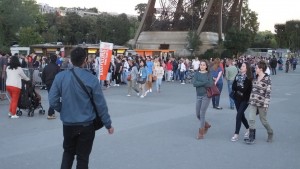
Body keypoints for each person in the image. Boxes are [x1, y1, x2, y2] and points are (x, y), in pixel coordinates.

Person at [48, 47, 114, 168]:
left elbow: (52, 100)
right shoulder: (92, 79)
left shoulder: (60, 77)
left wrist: (62, 109)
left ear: (71, 60)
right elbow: (101, 105)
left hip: (68, 124)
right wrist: (108, 124)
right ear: (85, 60)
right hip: (86, 125)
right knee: (83, 158)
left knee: (68, 153)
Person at [245, 61, 273, 144]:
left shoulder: (267, 79)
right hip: (253, 101)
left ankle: (270, 132)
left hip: (262, 103)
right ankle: (251, 137)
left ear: (261, 69)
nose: (255, 69)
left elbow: (268, 93)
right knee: (251, 119)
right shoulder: (255, 77)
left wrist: (266, 105)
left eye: (256, 68)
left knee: (263, 120)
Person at [230, 62, 253, 142]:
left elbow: (244, 90)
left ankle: (236, 134)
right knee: (241, 115)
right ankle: (248, 128)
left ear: (247, 68)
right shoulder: (237, 76)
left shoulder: (249, 78)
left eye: (243, 66)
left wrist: (237, 87)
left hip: (245, 99)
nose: (241, 67)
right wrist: (238, 87)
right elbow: (233, 86)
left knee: (238, 115)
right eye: (241, 66)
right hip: (237, 98)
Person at [193, 60, 213, 139]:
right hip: (198, 95)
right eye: (201, 65)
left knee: (202, 113)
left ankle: (201, 133)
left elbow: (210, 84)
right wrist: (204, 82)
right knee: (198, 114)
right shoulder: (197, 73)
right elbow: (194, 83)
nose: (202, 66)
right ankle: (206, 125)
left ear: (206, 66)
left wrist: (200, 82)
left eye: (203, 65)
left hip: (206, 96)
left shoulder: (208, 74)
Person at [42, 54, 60, 119]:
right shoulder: (57, 67)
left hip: (48, 83)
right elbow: (59, 76)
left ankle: (52, 112)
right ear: (56, 60)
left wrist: (44, 82)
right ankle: (50, 113)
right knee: (54, 98)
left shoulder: (46, 67)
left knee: (51, 96)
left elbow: (43, 76)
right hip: (55, 83)